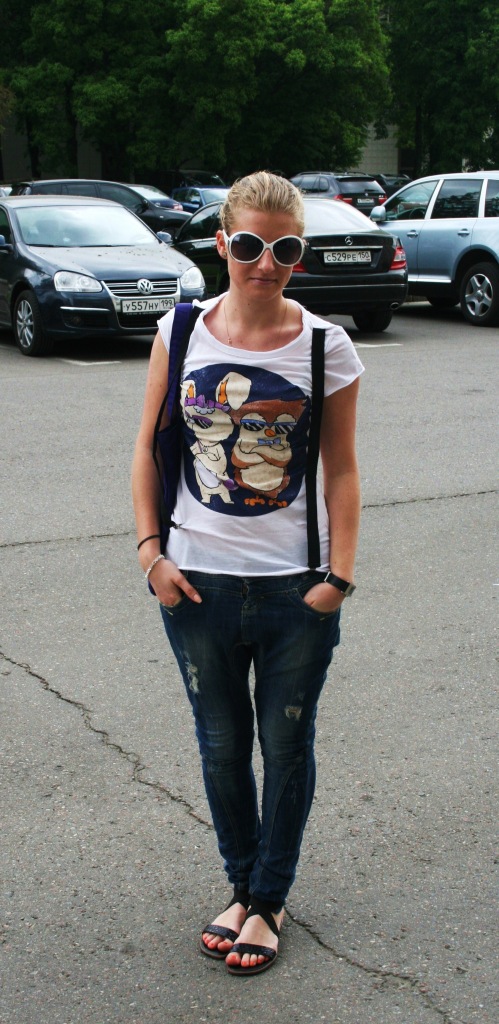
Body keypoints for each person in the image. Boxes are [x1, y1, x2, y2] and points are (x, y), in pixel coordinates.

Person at [131, 171, 364, 976]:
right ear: (221, 242)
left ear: (300, 254)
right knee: (223, 746)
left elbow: (340, 471)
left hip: (295, 588)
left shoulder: (325, 346)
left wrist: (337, 578)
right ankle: (242, 887)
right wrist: (150, 553)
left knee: (286, 745)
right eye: (249, 245)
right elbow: (148, 447)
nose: (266, 264)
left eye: (285, 249)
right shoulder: (180, 330)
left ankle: (267, 900)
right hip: (195, 583)